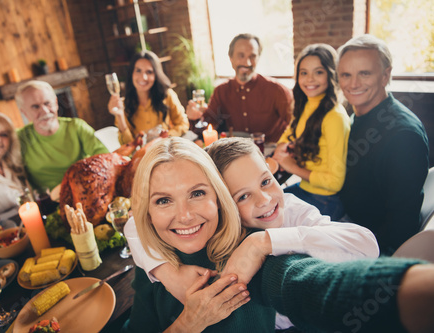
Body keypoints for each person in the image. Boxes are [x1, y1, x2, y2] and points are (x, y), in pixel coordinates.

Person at [123, 137, 434, 333]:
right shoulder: (169, 246)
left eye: (267, 181)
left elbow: (320, 275)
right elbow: (135, 224)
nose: (264, 200)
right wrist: (168, 272)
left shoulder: (286, 214)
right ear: (223, 203)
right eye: (241, 196)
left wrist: (264, 242)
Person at [337, 35, 429, 255]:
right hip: (347, 221)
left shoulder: (403, 136)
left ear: (386, 75)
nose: (353, 84)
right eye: (346, 75)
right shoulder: (355, 115)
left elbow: (401, 226)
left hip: (370, 244)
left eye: (364, 73)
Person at [0, 80, 109, 191]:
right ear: (24, 112)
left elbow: (105, 158)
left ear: (55, 102)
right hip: (50, 204)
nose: (45, 111)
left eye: (47, 103)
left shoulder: (76, 127)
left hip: (87, 190)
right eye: (35, 107)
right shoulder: (20, 138)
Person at [273, 44, 350, 220]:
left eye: (318, 72)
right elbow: (290, 130)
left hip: (325, 200)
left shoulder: (334, 118)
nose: (310, 79)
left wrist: (292, 167)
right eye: (304, 73)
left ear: (331, 74)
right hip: (305, 188)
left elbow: (335, 182)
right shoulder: (306, 103)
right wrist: (282, 146)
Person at [185, 33, 293, 142]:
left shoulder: (277, 90)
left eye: (253, 56)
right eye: (241, 55)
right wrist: (195, 118)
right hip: (238, 152)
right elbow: (206, 130)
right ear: (231, 58)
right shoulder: (221, 91)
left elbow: (297, 124)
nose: (247, 62)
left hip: (271, 151)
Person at [108, 51, 189, 145]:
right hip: (142, 157)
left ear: (156, 75)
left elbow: (183, 124)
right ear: (131, 74)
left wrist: (165, 138)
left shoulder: (167, 95)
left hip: (165, 150)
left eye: (149, 72)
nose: (143, 77)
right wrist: (120, 116)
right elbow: (127, 144)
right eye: (138, 71)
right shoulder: (123, 105)